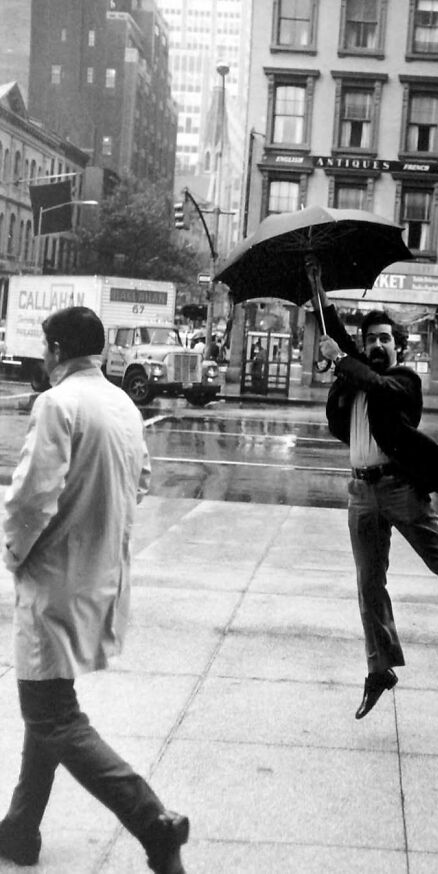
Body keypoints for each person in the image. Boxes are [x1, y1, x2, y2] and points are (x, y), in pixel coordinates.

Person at [0, 307, 189, 873]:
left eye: (45, 347)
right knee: (51, 703)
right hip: (101, 579)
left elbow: (32, 497)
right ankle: (20, 829)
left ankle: (153, 821)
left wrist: (13, 554)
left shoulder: (57, 404)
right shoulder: (123, 404)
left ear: (58, 350)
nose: (43, 357)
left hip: (54, 581)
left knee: (52, 714)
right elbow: (142, 482)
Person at [305, 257, 438, 720]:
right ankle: (379, 669)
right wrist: (317, 285)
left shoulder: (403, 381)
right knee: (368, 584)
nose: (377, 344)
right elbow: (336, 336)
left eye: (385, 339)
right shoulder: (354, 376)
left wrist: (342, 359)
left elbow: (379, 387)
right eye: (371, 339)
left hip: (401, 489)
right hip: (361, 493)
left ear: (398, 346)